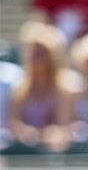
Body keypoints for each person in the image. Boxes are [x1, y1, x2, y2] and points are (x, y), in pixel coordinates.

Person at [7, 21, 77, 153]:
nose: (36, 57)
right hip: (23, 149)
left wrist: (50, 134)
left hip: (55, 151)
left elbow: (63, 125)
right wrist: (24, 131)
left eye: (42, 53)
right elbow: (14, 122)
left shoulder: (64, 89)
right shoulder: (20, 89)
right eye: (34, 52)